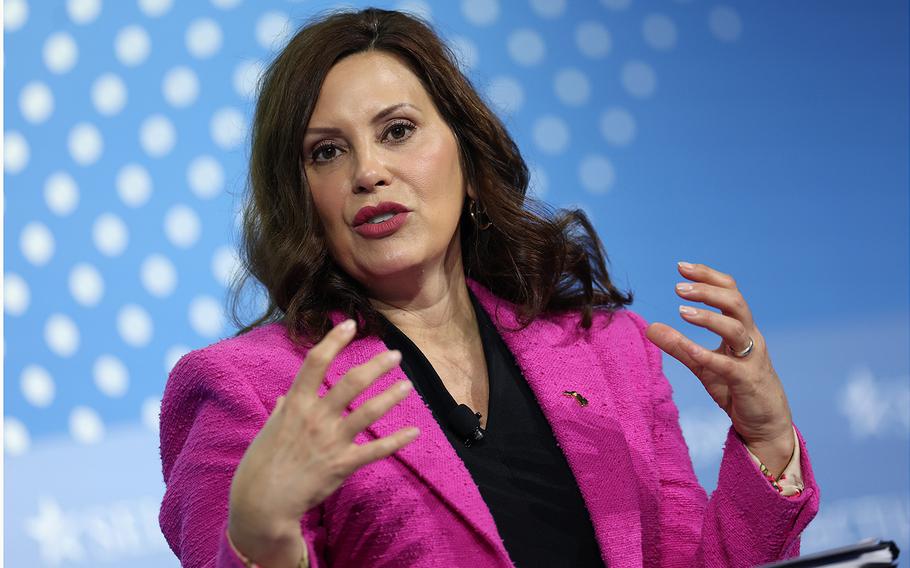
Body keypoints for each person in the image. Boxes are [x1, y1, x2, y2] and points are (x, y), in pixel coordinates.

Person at [158, 7, 819, 568]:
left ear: (468, 160)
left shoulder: (610, 350)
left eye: (397, 132)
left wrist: (766, 443)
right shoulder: (245, 391)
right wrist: (257, 539)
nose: (369, 172)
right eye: (326, 151)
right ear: (299, 197)